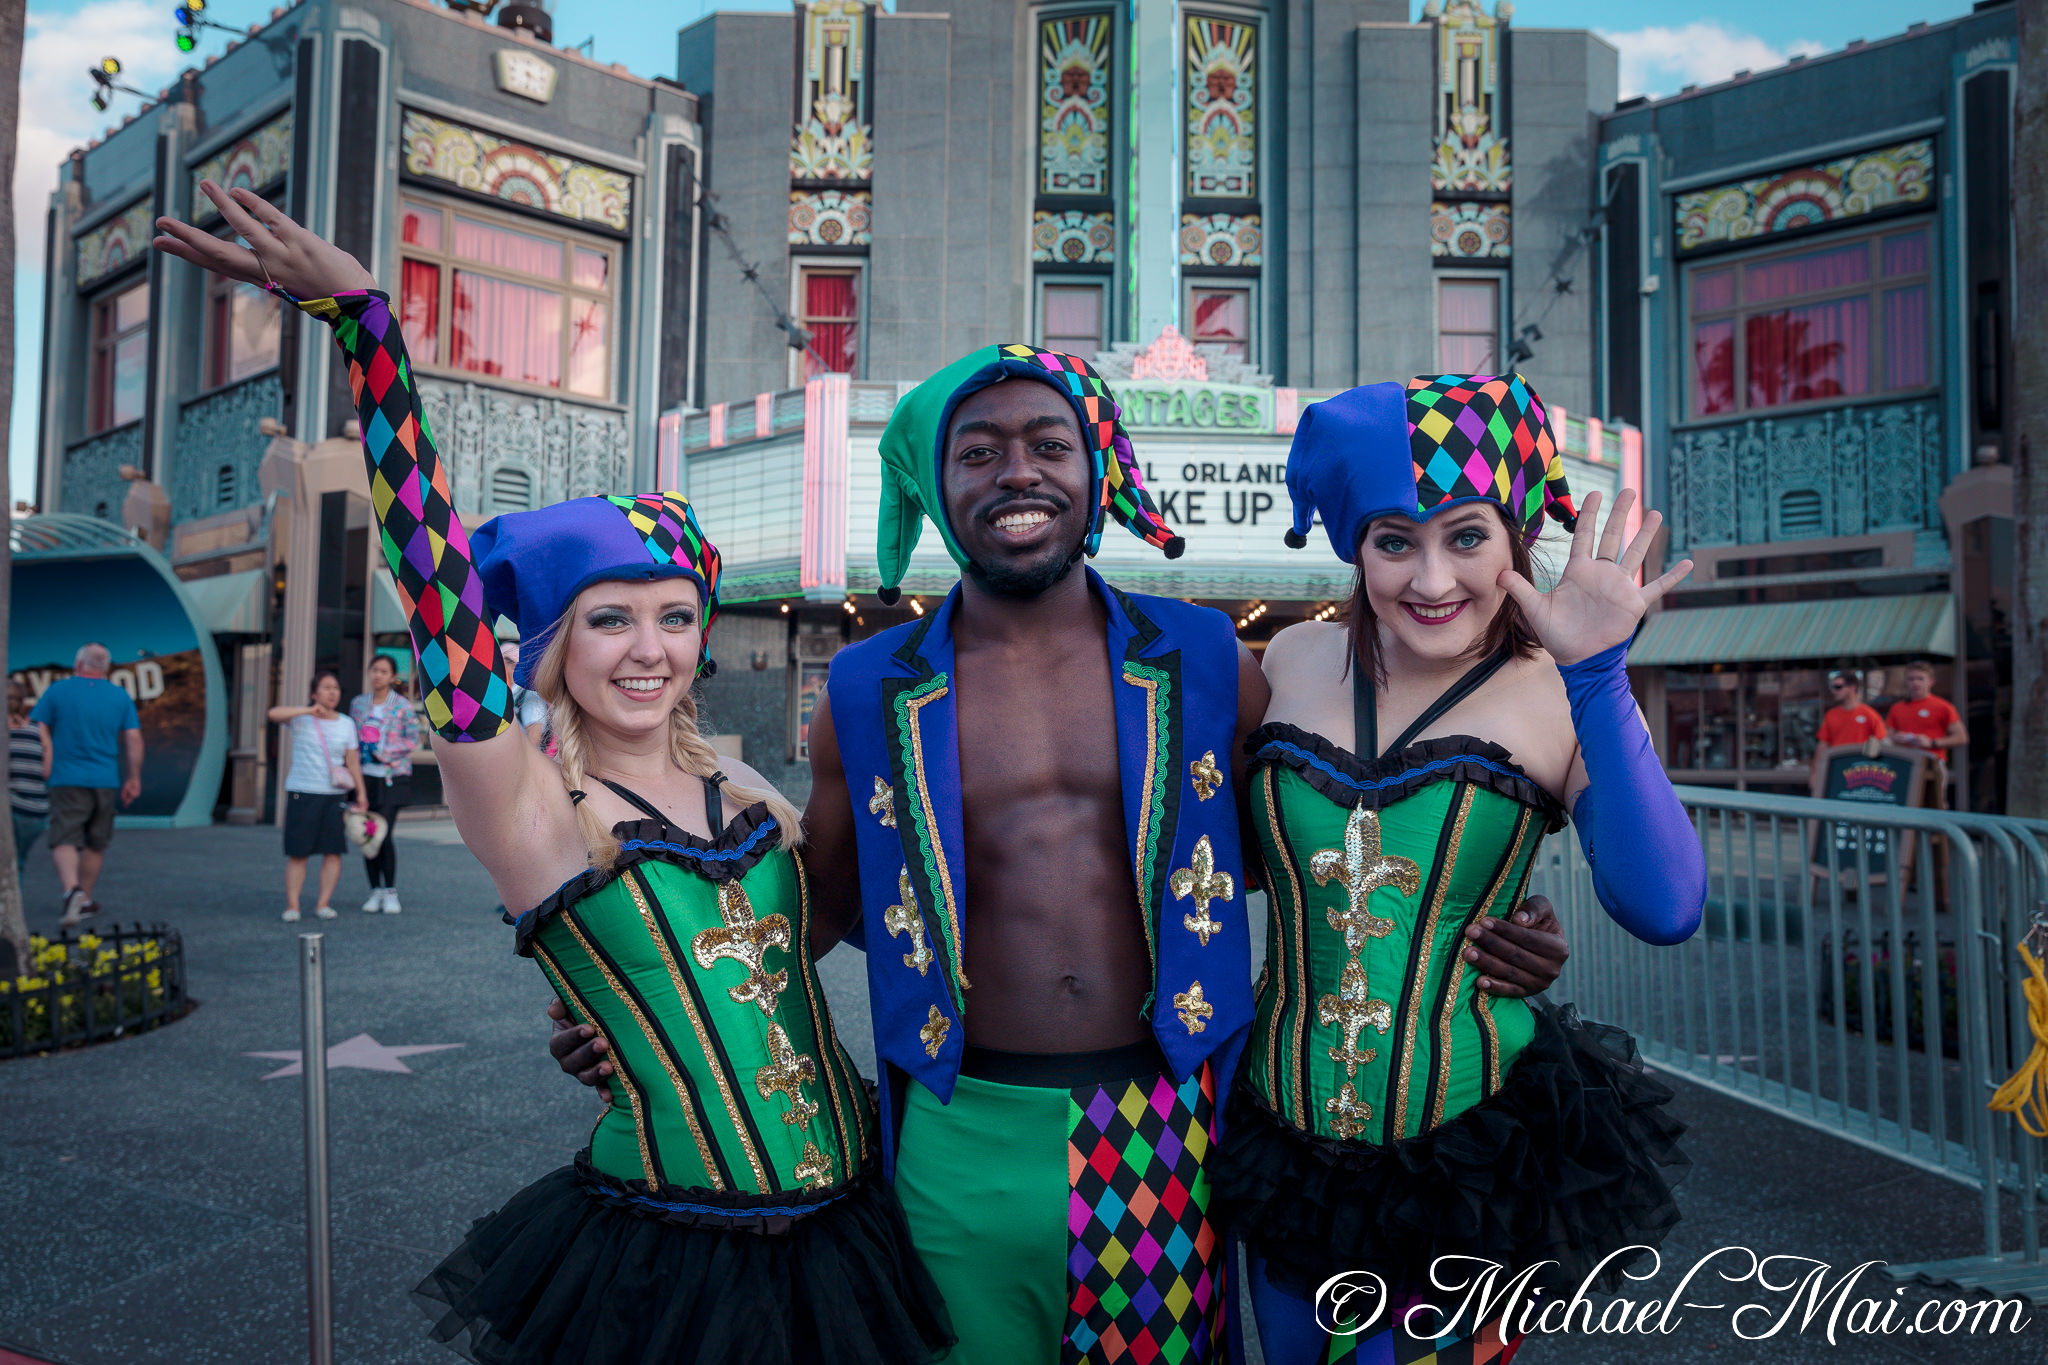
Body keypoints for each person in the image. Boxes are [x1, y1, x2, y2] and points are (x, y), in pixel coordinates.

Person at [547, 346, 1573, 1362]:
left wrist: (1480, 916)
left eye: (1048, 443)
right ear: (937, 487)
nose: (1016, 471)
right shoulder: (864, 685)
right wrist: (645, 1008)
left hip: (1165, 1118)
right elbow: (811, 912)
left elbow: (1309, 838)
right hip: (955, 1125)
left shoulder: (1202, 654)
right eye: (977, 451)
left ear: (1096, 474)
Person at [154, 180, 953, 1364]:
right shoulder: (525, 795)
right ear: (551, 646)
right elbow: (438, 597)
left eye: (675, 618)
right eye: (608, 621)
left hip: (854, 1217)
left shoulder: (748, 792)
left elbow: (821, 939)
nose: (649, 651)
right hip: (676, 1249)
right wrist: (369, 327)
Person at [1212, 377, 1703, 1362]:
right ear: (1353, 546)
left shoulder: (1558, 691)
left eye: (1465, 536)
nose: (1430, 578)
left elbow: (1663, 904)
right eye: (1393, 540)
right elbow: (1229, 861)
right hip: (1279, 1141)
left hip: (1467, 1155)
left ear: (1513, 541)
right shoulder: (1291, 660)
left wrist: (1597, 674)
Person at [30, 643, 143, 927]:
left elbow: (37, 724)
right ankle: (86, 900)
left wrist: (47, 754)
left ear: (78, 664)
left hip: (66, 778)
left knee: (64, 837)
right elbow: (133, 738)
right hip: (105, 779)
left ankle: (72, 891)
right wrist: (133, 777)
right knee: (96, 842)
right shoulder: (120, 696)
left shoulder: (58, 691)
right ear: (105, 667)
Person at [269, 672, 369, 922]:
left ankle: (323, 903)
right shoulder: (301, 718)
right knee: (298, 853)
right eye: (326, 688)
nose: (332, 692)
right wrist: (305, 711)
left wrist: (361, 793)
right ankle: (293, 905)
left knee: (332, 852)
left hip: (334, 794)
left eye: (335, 688)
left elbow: (352, 762)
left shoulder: (346, 723)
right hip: (302, 791)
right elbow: (273, 714)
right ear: (314, 693)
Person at [1886, 660, 1966, 904]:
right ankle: (1907, 875)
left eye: (1919, 679)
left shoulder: (1942, 706)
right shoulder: (1898, 708)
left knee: (1933, 820)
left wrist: (1931, 742)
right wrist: (1896, 738)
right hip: (1904, 765)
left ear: (1930, 681)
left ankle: (1942, 878)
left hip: (1932, 765)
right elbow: (1885, 737)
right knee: (1906, 822)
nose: (1914, 684)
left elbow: (1961, 737)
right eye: (1910, 679)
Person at [351, 654, 421, 913]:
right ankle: (375, 891)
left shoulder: (402, 706)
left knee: (383, 832)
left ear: (393, 676)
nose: (377, 675)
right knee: (367, 835)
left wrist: (387, 752)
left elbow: (413, 739)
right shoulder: (358, 704)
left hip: (392, 777)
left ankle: (390, 891)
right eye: (374, 670)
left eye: (383, 671)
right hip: (365, 778)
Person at [1811, 668, 1887, 784]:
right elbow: (1822, 745)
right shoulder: (1831, 715)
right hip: (1836, 768)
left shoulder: (1869, 714)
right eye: (1833, 687)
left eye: (1838, 687)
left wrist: (1871, 765)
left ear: (1852, 688)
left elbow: (1881, 742)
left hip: (1860, 770)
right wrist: (1815, 773)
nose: (1834, 691)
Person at [9, 682, 49, 878]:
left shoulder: (5, 731)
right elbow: (47, 771)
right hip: (37, 811)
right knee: (18, 863)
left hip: (11, 809)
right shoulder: (37, 729)